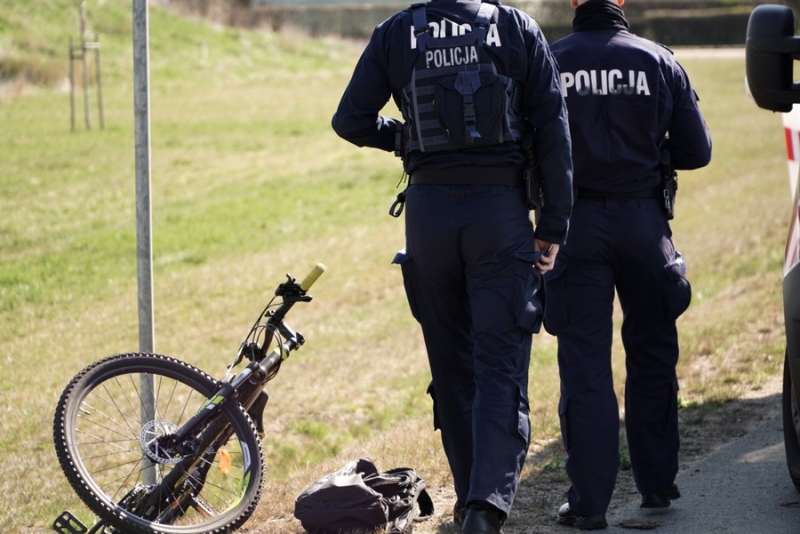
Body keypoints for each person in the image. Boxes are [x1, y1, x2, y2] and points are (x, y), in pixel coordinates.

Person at [331, 1, 573, 532]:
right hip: (499, 215)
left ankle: (470, 500)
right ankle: (484, 509)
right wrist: (554, 224)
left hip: (428, 218)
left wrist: (404, 137)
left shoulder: (396, 32)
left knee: (452, 365)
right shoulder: (513, 27)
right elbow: (553, 126)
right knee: (498, 364)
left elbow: (349, 119)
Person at [545, 0, 712, 529]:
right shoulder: (658, 60)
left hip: (574, 228)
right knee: (653, 353)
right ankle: (657, 485)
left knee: (585, 368)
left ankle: (589, 504)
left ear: (574, 2)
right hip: (644, 225)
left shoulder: (548, 60)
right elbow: (698, 150)